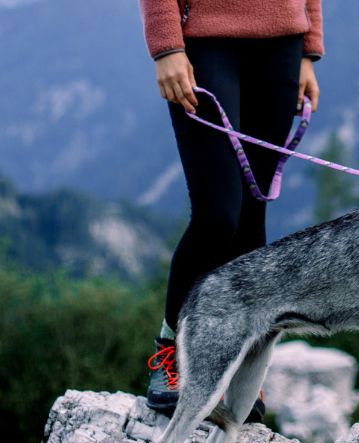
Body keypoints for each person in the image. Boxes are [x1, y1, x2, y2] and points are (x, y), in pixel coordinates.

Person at [138, 0, 323, 419]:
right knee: (218, 214)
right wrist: (166, 46)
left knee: (250, 217)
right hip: (205, 41)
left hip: (283, 43)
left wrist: (308, 49)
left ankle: (239, 368)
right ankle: (173, 352)